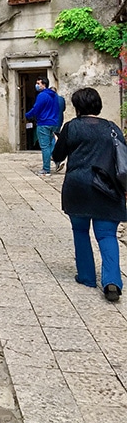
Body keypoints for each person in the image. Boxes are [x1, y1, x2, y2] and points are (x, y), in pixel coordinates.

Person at [52, 87, 126, 302]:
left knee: (80, 231)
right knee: (106, 235)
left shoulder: (71, 128)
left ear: (77, 107)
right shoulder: (112, 128)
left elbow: (58, 156)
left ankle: (86, 276)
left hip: (78, 186)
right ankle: (112, 280)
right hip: (106, 187)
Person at [25, 77, 60, 176]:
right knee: (52, 143)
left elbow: (36, 109)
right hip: (53, 122)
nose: (36, 85)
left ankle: (46, 168)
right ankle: (57, 160)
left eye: (38, 83)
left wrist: (27, 115)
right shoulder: (54, 96)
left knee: (45, 147)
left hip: (44, 123)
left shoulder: (42, 95)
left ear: (43, 84)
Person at [52, 86, 66, 172]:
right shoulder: (61, 99)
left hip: (50, 122)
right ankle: (58, 160)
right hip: (59, 121)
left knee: (52, 140)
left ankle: (57, 159)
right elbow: (63, 109)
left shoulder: (49, 100)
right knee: (56, 138)